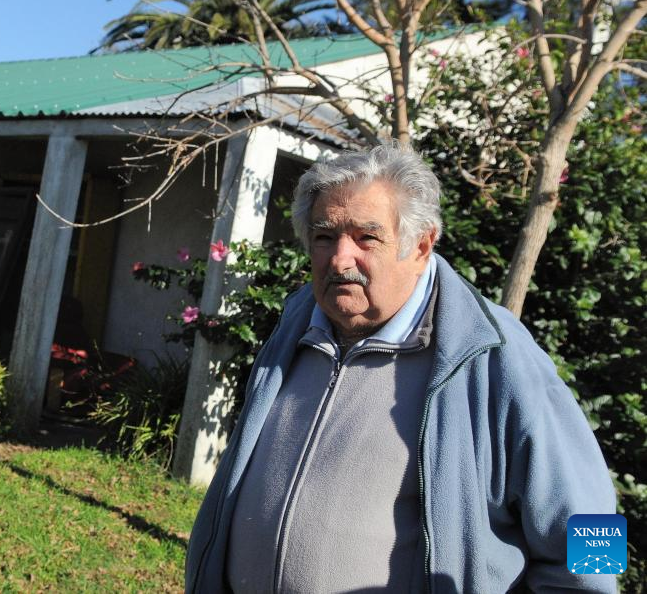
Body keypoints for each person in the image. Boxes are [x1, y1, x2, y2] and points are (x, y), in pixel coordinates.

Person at [185, 144, 616, 593]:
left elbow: (595, 523)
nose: (340, 258)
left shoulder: (494, 353)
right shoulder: (297, 324)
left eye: (366, 238)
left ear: (422, 245)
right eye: (324, 236)